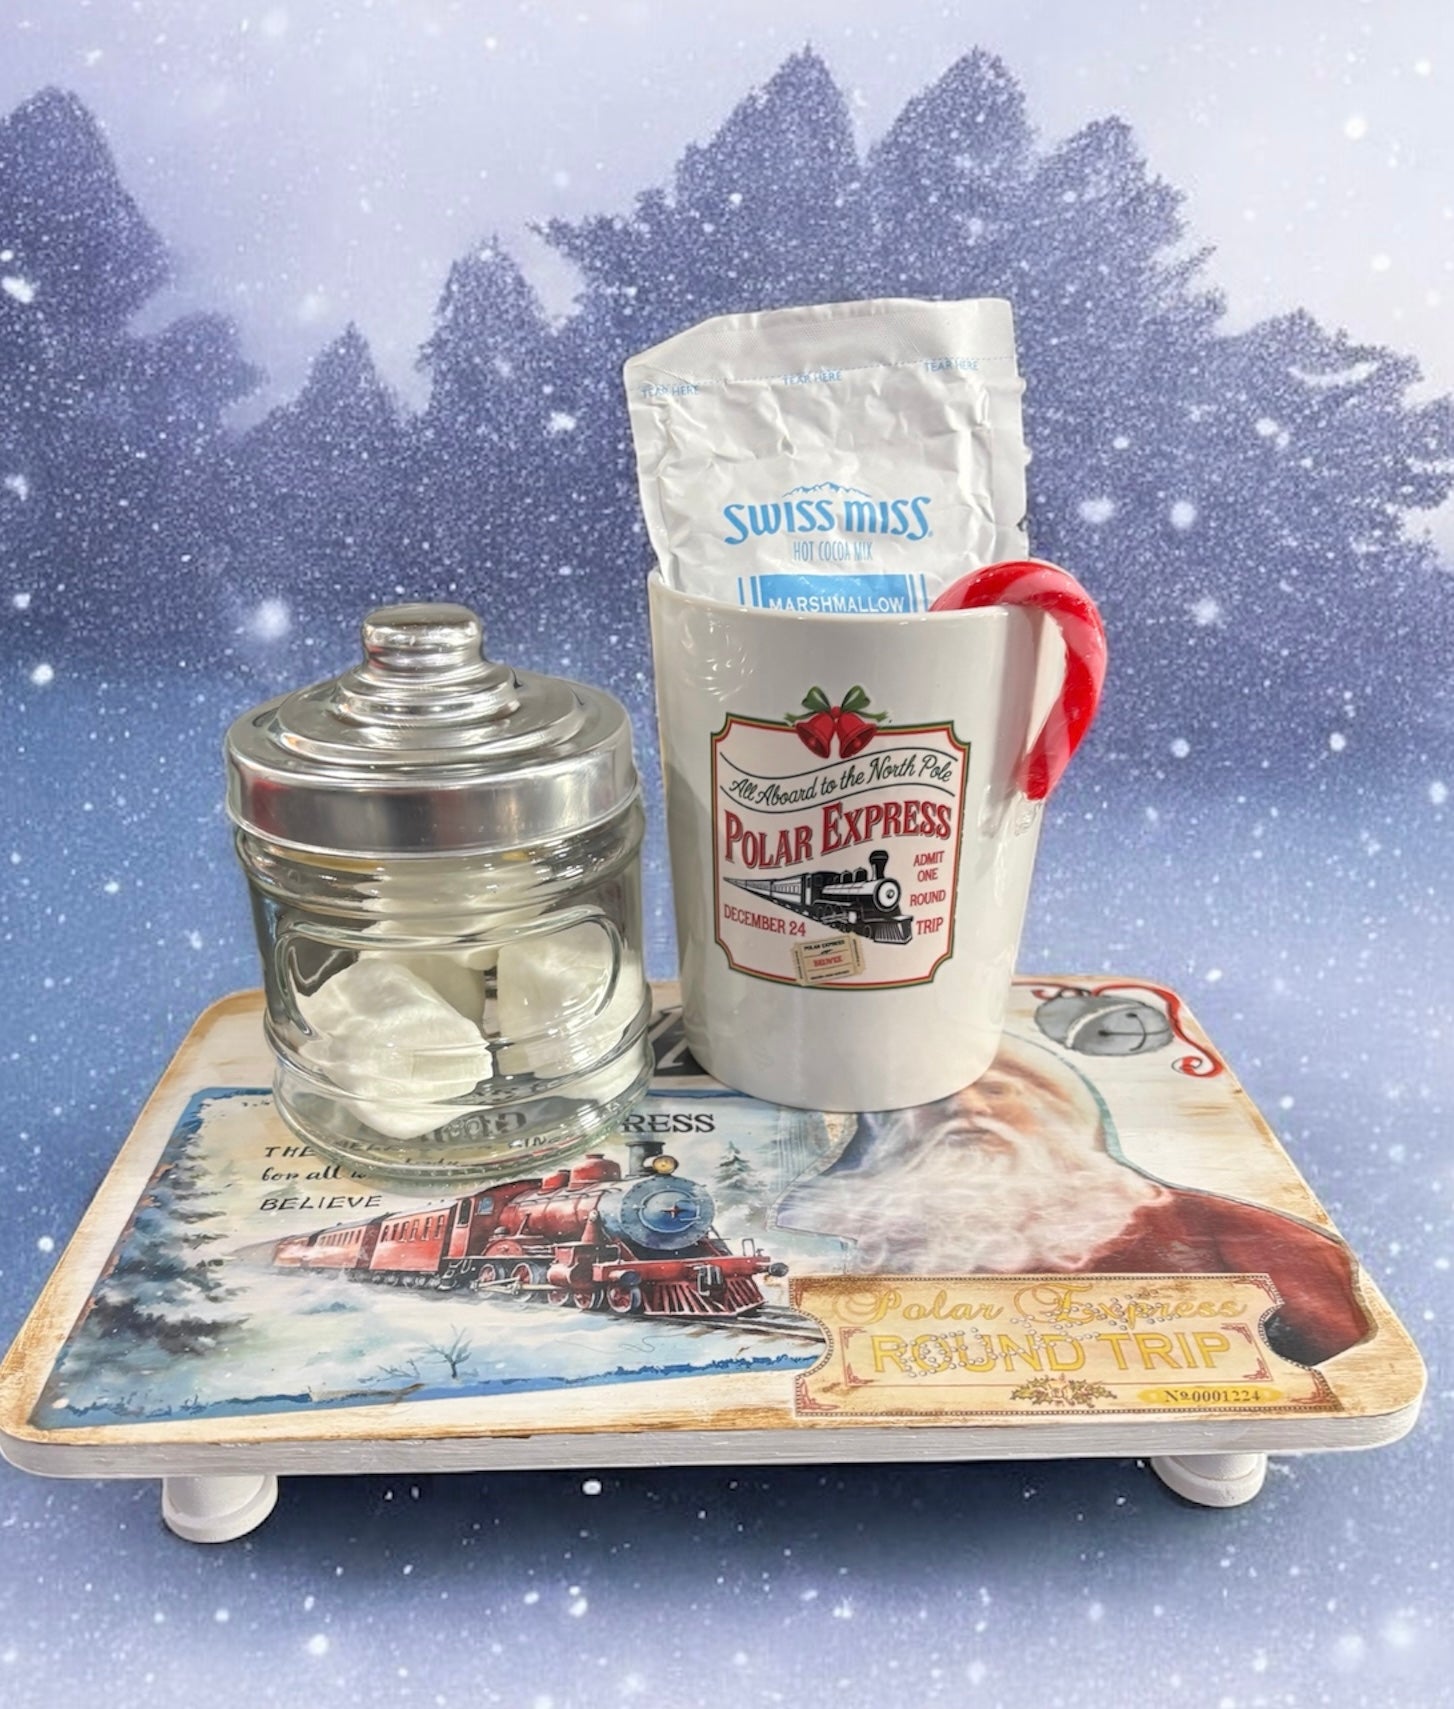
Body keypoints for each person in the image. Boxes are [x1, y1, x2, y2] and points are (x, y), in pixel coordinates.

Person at [774, 1037, 1369, 1367]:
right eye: (935, 1100)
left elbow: (1336, 1341)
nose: (968, 1110)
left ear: (1058, 1116)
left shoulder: (1211, 1226)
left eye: (999, 1091)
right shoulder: (844, 1242)